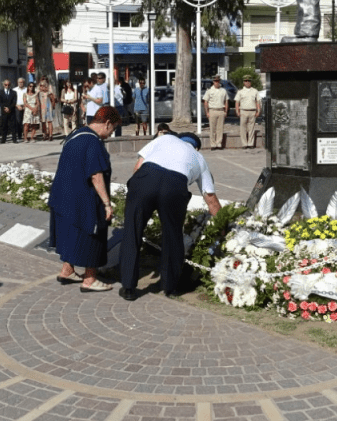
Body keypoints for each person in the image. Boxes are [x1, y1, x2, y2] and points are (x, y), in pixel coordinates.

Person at [118, 131, 221, 301]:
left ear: (179, 139)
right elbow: (211, 201)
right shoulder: (199, 158)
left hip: (146, 178)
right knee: (173, 236)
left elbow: (138, 166)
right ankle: (169, 287)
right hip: (175, 186)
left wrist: (136, 193)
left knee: (132, 231)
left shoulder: (165, 138)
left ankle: (128, 287)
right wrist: (225, 228)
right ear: (196, 147)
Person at [47, 105, 121, 293]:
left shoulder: (75, 134)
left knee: (71, 232)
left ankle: (67, 270)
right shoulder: (93, 142)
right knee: (94, 233)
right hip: (83, 198)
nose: (110, 134)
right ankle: (90, 278)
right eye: (112, 129)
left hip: (62, 195)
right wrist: (106, 203)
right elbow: (96, 175)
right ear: (107, 123)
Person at [234, 75, 261, 149]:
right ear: (243, 82)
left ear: (251, 82)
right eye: (246, 81)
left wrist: (258, 110)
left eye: (249, 81)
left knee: (251, 128)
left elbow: (258, 101)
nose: (247, 82)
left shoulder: (255, 91)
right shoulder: (240, 91)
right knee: (243, 128)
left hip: (252, 111)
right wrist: (237, 111)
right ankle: (244, 144)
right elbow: (237, 102)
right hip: (243, 111)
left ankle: (250, 143)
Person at [203, 76, 229, 149]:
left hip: (221, 110)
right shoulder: (209, 91)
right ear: (213, 82)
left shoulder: (223, 90)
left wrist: (226, 111)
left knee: (220, 129)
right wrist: (207, 112)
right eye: (215, 81)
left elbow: (226, 101)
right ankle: (213, 144)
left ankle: (219, 143)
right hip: (212, 110)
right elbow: (206, 102)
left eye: (218, 81)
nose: (217, 82)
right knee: (212, 129)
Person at [0, 79, 19, 144]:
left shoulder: (14, 92)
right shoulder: (1, 92)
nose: (7, 86)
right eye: (5, 85)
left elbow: (14, 102)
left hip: (11, 111)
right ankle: (3, 139)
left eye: (8, 85)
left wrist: (9, 108)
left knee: (13, 125)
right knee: (4, 125)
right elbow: (0, 102)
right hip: (4, 111)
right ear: (3, 85)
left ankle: (14, 139)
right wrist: (4, 108)